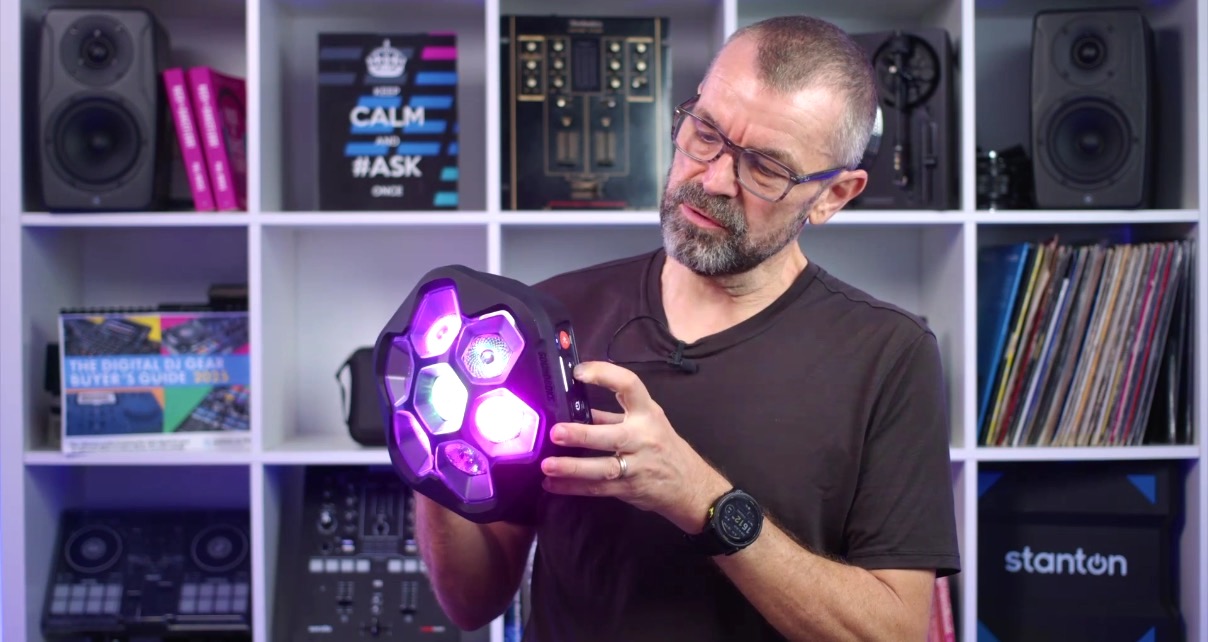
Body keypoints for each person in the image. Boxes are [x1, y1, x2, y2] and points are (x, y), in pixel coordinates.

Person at [416, 14, 961, 641]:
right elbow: (471, 601)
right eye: (706, 133)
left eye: (765, 169)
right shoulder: (552, 316)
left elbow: (890, 634)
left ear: (834, 195)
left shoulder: (888, 355)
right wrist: (429, 451)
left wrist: (701, 499)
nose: (713, 180)